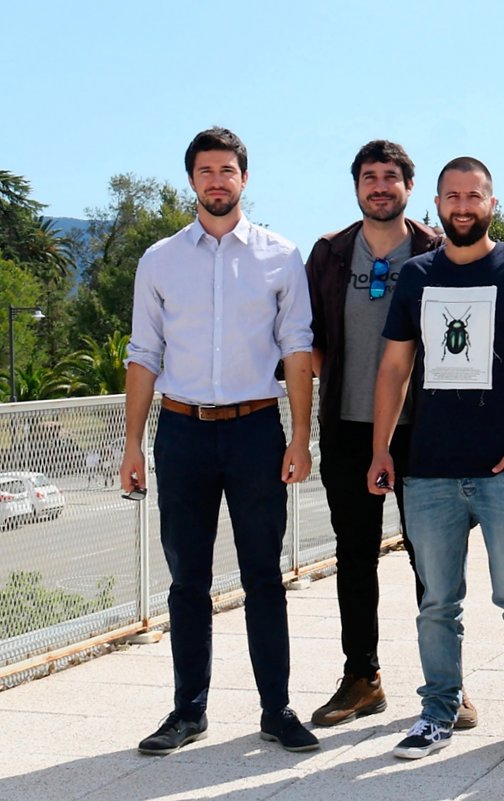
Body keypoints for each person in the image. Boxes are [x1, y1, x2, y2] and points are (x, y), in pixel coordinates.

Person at [120, 127, 319, 755]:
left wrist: (300, 437)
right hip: (181, 433)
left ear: (244, 179)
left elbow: (297, 349)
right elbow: (143, 354)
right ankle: (189, 711)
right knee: (187, 580)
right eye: (206, 170)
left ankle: (277, 710)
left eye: (227, 170)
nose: (217, 181)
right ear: (191, 180)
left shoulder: (280, 256)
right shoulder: (159, 260)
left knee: (264, 575)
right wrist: (132, 445)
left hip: (257, 430)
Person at [368, 157, 504, 765]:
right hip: (429, 469)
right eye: (452, 196)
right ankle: (437, 713)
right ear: (437, 203)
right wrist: (381, 448)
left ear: (491, 204)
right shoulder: (417, 275)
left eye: (473, 195)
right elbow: (395, 367)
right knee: (436, 603)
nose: (462, 206)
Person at [305, 140, 480, 729]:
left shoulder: (436, 249)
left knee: (432, 559)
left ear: (409, 186)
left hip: (423, 432)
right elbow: (310, 337)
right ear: (357, 186)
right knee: (354, 556)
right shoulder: (330, 253)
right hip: (348, 429)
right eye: (369, 177)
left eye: (390, 177)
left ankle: (449, 683)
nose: (379, 186)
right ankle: (362, 678)